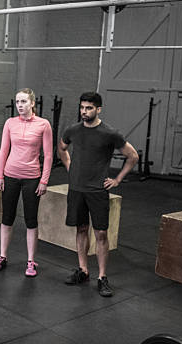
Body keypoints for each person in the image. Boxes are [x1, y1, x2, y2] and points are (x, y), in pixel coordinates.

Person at [58, 92, 138, 297]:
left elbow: (132, 156)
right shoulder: (73, 130)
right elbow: (62, 147)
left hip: (97, 191)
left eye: (89, 108)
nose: (84, 112)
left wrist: (117, 179)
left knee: (101, 233)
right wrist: (70, 166)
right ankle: (83, 271)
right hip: (76, 189)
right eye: (82, 107)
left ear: (98, 109)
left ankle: (102, 277)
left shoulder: (110, 133)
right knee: (81, 229)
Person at [0, 88, 53, 277]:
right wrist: (0, 176)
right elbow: (3, 151)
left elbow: (49, 155)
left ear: (32, 103)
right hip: (10, 175)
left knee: (31, 220)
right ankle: (2, 256)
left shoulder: (43, 125)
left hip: (32, 178)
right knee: (7, 218)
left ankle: (31, 261)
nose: (20, 105)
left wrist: (44, 180)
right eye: (17, 102)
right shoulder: (10, 123)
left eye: (24, 102)